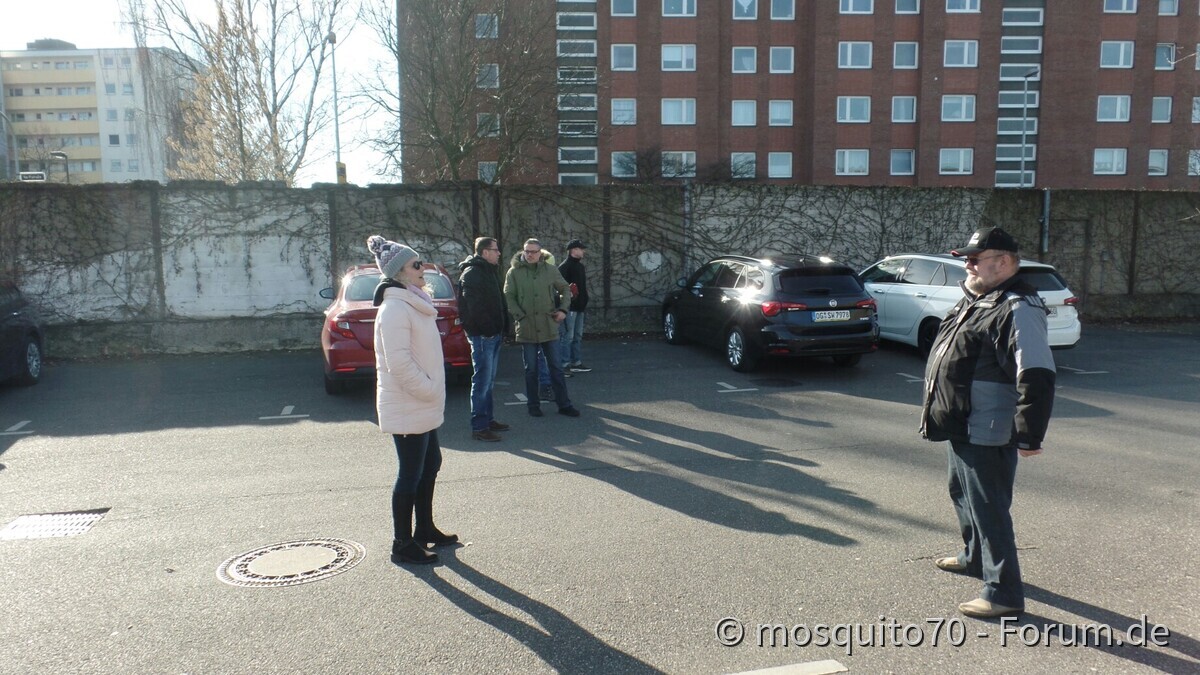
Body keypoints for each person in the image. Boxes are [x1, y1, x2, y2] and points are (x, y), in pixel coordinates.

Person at [920, 226, 1056, 619]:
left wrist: (1029, 433)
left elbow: (1036, 372)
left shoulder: (1018, 306)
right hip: (961, 420)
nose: (968, 263)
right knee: (961, 494)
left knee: (990, 508)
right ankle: (974, 558)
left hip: (988, 428)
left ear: (1006, 262)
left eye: (976, 258)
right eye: (967, 257)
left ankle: (1003, 593)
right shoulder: (980, 299)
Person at [367, 235, 458, 566]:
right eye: (416, 264)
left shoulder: (414, 302)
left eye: (421, 262)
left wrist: (430, 391)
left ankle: (424, 529)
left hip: (421, 403)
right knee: (410, 473)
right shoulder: (394, 309)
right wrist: (430, 389)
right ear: (400, 273)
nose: (423, 269)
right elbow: (399, 364)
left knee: (430, 464)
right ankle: (402, 544)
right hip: (409, 404)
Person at [504, 238, 580, 418]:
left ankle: (564, 404)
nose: (529, 254)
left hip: (548, 326)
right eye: (526, 251)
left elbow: (565, 289)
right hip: (527, 327)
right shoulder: (514, 272)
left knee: (556, 367)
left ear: (540, 253)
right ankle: (533, 405)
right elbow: (509, 296)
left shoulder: (550, 270)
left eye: (533, 252)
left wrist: (563, 309)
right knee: (531, 369)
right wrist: (520, 316)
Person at [458, 237, 510, 442]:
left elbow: (497, 302)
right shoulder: (472, 274)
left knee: (488, 381)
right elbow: (475, 308)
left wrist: (501, 328)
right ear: (485, 252)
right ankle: (479, 427)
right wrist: (489, 330)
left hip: (493, 335)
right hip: (483, 337)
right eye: (495, 250)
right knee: (481, 381)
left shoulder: (488, 271)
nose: (498, 253)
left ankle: (488, 420)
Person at [558, 239, 591, 373]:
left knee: (577, 335)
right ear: (573, 250)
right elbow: (559, 288)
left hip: (580, 306)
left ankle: (576, 362)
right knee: (568, 336)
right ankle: (564, 363)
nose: (583, 251)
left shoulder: (580, 266)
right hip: (570, 307)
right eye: (580, 249)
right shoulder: (565, 267)